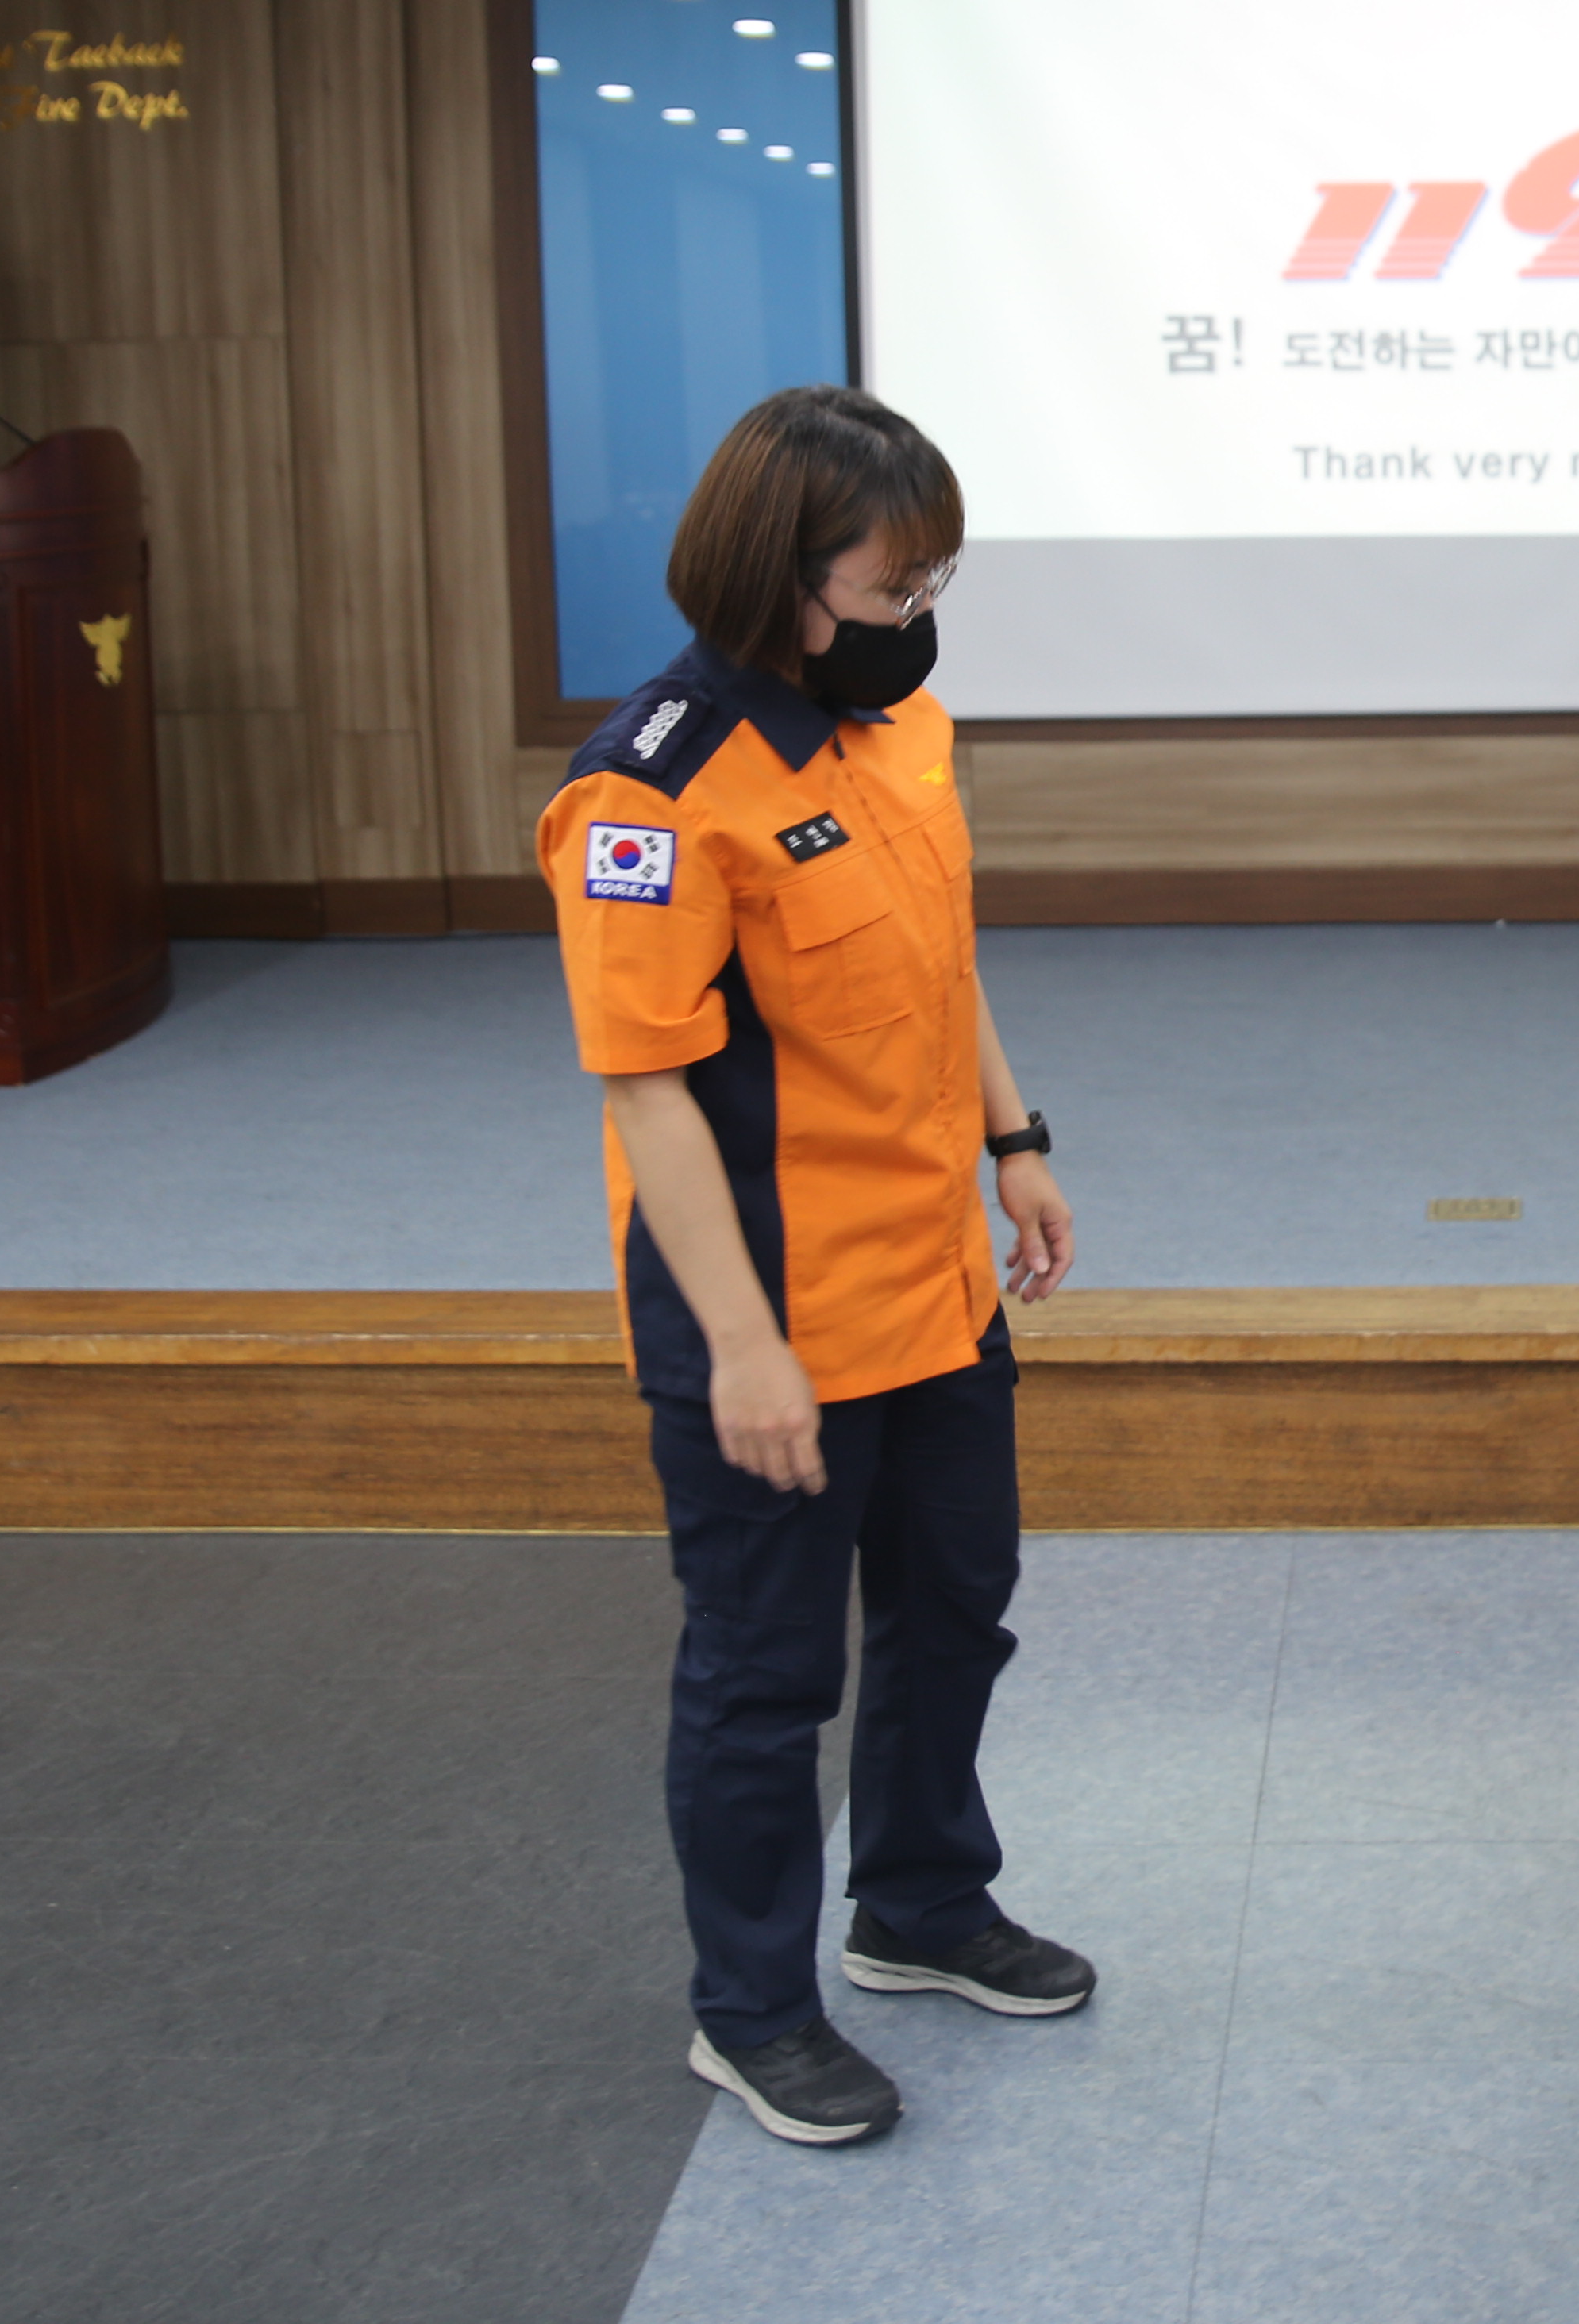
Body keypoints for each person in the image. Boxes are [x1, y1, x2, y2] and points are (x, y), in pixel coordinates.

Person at [535, 383, 1090, 2151]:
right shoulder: (649, 796)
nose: (917, 620)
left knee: (955, 1608)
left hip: (933, 1280)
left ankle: (920, 1904)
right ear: (783, 576)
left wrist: (1015, 1139)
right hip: (770, 1311)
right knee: (767, 1675)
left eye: (934, 586)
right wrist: (744, 1349)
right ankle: (753, 2009)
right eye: (890, 588)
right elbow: (647, 1092)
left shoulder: (901, 727)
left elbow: (943, 959)